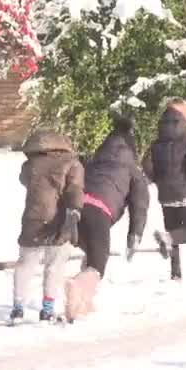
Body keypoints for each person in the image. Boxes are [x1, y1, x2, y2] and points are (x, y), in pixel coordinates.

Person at [64, 112, 150, 320]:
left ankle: (84, 302)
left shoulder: (94, 161)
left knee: (92, 253)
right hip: (98, 214)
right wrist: (135, 235)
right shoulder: (133, 172)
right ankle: (77, 287)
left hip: (75, 208)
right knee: (97, 267)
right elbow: (140, 205)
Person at [11, 129, 84, 324]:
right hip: (60, 221)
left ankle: (17, 309)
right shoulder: (73, 164)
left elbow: (24, 181)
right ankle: (47, 310)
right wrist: (74, 213)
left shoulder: (29, 165)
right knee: (54, 267)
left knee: (25, 264)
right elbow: (75, 191)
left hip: (32, 219)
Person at [142, 98, 186, 281]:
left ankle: (175, 273)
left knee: (172, 233)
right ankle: (167, 241)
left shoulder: (157, 141)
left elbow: (146, 164)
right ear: (185, 117)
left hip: (165, 194)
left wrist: (158, 179)